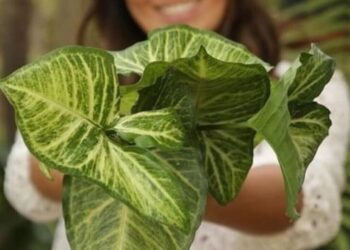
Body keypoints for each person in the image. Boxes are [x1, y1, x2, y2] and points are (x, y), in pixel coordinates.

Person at [4, 0, 350, 249]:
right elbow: (33, 172)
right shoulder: (97, 80)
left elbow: (302, 200)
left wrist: (163, 181)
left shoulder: (298, 85)